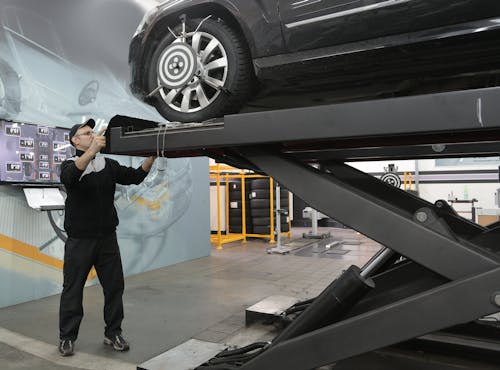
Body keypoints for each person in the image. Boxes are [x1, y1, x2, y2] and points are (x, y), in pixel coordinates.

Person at [58, 118, 155, 356]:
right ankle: (67, 337)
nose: (92, 135)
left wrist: (151, 157)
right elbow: (70, 178)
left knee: (114, 288)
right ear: (75, 140)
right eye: (86, 133)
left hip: (107, 239)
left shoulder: (108, 165)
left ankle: (113, 333)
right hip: (80, 240)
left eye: (93, 132)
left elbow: (134, 176)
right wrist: (92, 150)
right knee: (73, 289)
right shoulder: (69, 164)